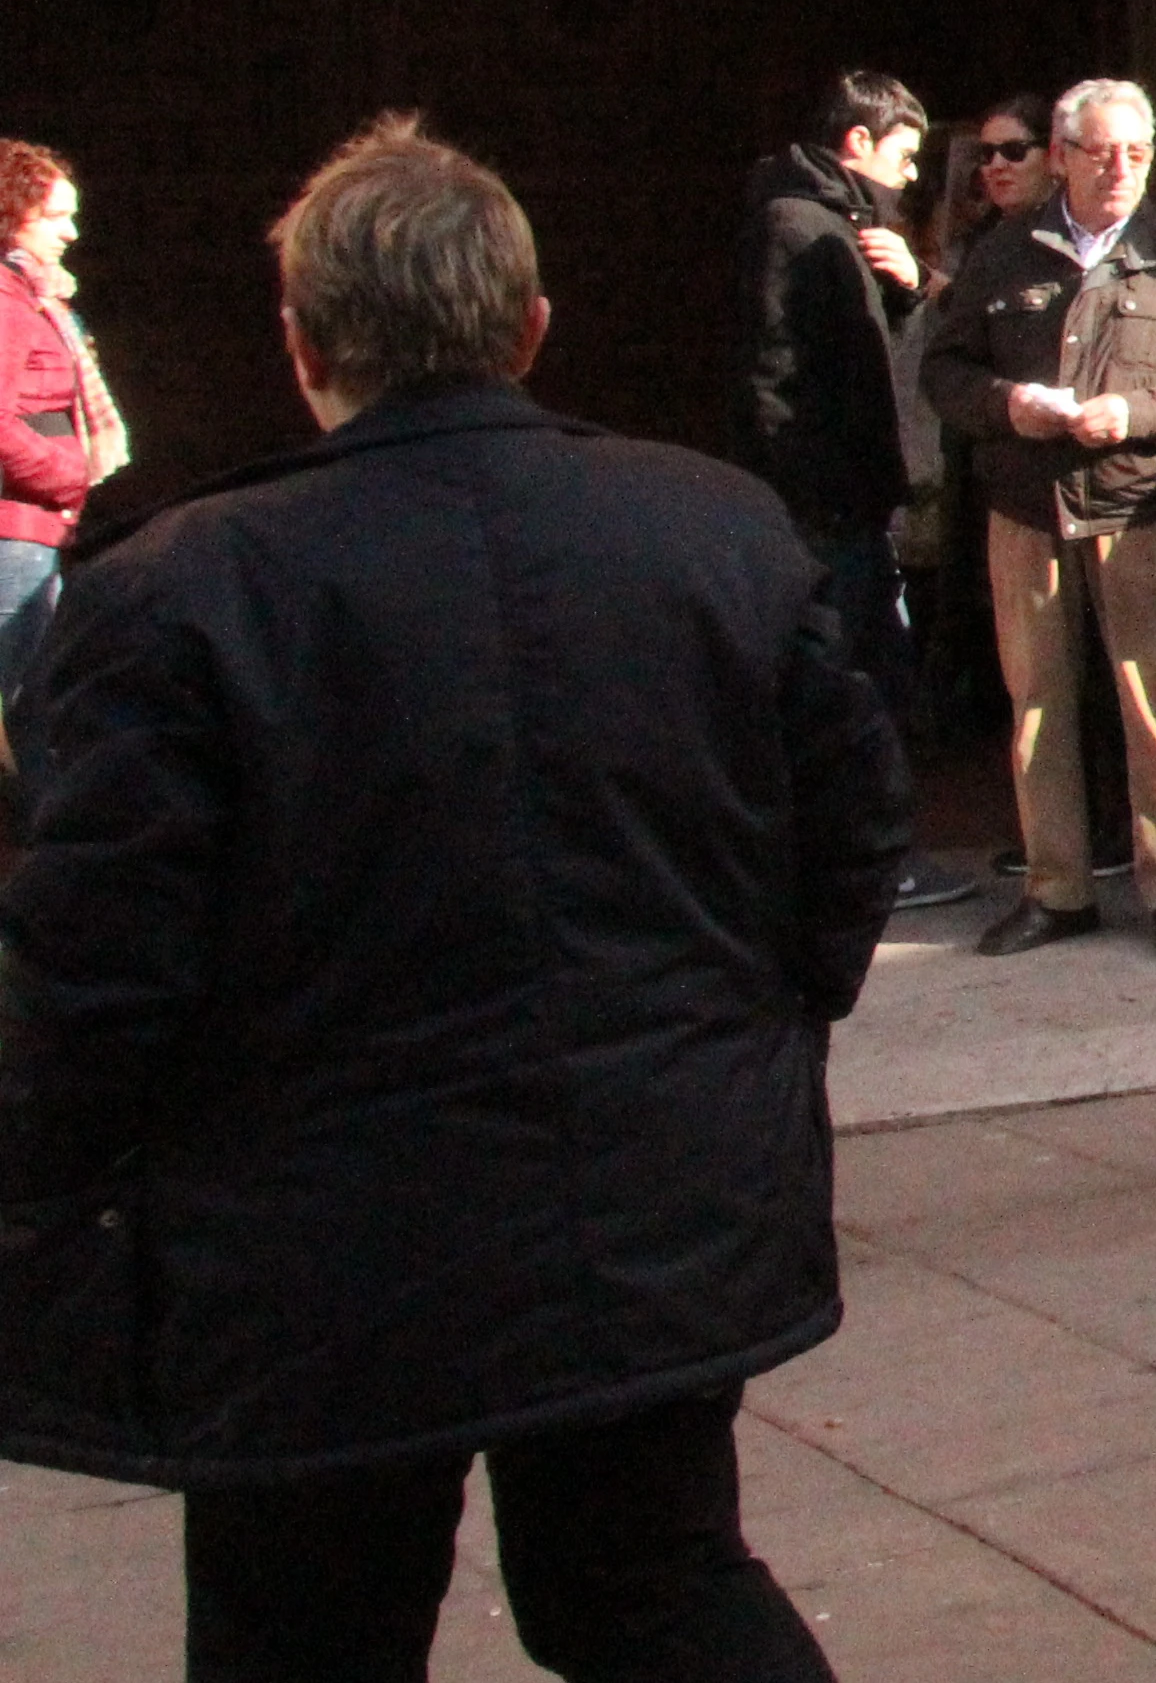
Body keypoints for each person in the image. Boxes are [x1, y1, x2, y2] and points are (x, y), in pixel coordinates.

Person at [0, 120, 905, 1682]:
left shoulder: (182, 591)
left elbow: (91, 979)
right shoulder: (713, 531)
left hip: (327, 1263)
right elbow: (851, 847)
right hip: (644, 1193)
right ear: (530, 325)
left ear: (299, 346)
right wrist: (750, 1026)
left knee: (320, 1629)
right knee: (654, 1584)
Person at [918, 80, 1156, 964]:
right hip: (1025, 508)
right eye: (1098, 152)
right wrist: (1009, 405)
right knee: (1037, 705)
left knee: (1153, 699)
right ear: (1061, 157)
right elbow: (945, 371)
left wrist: (1137, 416)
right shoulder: (1005, 253)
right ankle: (1057, 890)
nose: (1118, 169)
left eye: (1135, 152)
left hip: (1138, 507)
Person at [742, 69, 965, 913]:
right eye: (905, 156)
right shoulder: (797, 226)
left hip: (851, 504)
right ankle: (865, 864)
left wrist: (905, 287)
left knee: (877, 676)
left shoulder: (844, 225)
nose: (912, 175)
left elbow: (872, 347)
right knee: (853, 686)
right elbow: (777, 379)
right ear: (858, 144)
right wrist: (812, 499)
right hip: (828, 513)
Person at [906, 94, 1058, 821]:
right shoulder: (989, 243)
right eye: (985, 155)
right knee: (1022, 671)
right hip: (990, 467)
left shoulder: (1066, 242)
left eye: (1012, 151)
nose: (995, 167)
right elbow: (953, 362)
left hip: (1084, 482)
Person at [1, 138, 131, 831]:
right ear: (12, 215)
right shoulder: (6, 303)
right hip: (13, 532)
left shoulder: (36, 299)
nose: (71, 232)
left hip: (35, 528)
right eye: (55, 216)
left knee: (34, 697)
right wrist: (68, 472)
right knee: (27, 696)